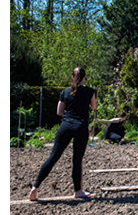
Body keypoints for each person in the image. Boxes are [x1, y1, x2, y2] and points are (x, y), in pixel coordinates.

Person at [29, 67, 96, 200]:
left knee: (53, 157)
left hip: (65, 126)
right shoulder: (90, 91)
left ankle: (35, 187)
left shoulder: (65, 92)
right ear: (84, 78)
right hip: (80, 127)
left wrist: (69, 115)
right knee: (77, 160)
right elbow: (93, 107)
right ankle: (78, 191)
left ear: (72, 77)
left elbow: (59, 111)